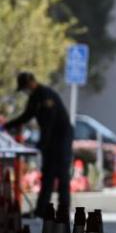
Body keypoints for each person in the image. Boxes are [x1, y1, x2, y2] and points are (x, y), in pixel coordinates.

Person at [2, 72, 74, 216]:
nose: (24, 91)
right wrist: (7, 126)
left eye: (24, 87)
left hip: (61, 139)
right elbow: (27, 115)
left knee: (61, 175)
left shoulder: (46, 95)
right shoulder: (35, 97)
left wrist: (42, 144)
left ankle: (63, 210)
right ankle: (41, 211)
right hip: (50, 140)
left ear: (30, 82)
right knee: (47, 174)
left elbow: (50, 122)